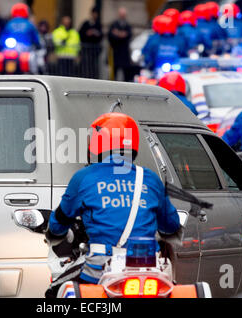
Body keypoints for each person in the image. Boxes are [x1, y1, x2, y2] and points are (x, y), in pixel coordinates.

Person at [45, 112, 180, 296]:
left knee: (54, 292)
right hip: (149, 270)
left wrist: (54, 232)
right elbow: (171, 225)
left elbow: (58, 223)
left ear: (98, 142)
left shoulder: (84, 177)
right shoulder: (150, 178)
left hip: (100, 270)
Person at [108, 7, 133, 82]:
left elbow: (128, 36)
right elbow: (111, 36)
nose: (122, 16)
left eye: (124, 14)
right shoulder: (114, 24)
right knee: (113, 74)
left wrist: (117, 33)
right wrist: (121, 35)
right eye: (121, 14)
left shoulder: (127, 25)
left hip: (124, 53)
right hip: (115, 53)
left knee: (126, 74)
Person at [79, 7, 103, 78]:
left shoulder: (98, 24)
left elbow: (101, 35)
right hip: (86, 49)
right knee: (86, 65)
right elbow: (80, 33)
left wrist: (96, 34)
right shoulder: (86, 23)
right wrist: (87, 33)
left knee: (94, 66)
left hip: (94, 50)